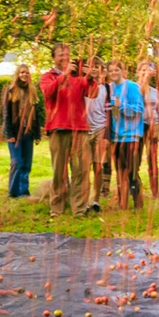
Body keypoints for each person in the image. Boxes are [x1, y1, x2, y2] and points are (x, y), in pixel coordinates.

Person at [39, 44, 93, 218]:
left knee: (80, 170)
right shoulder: (48, 76)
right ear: (54, 57)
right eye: (61, 54)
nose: (65, 57)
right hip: (58, 128)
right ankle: (57, 209)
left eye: (68, 54)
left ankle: (79, 209)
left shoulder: (78, 77)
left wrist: (90, 77)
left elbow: (93, 93)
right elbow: (48, 92)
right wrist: (65, 75)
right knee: (59, 171)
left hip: (80, 128)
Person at [107, 59, 146, 210]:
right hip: (116, 137)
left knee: (131, 171)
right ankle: (122, 204)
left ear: (123, 71)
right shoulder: (109, 88)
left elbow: (139, 108)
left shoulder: (132, 87)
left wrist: (121, 106)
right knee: (119, 171)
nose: (113, 73)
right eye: (110, 71)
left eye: (116, 70)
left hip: (131, 135)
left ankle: (138, 203)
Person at [0, 62, 41, 199]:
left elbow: (37, 114)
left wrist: (37, 134)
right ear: (18, 74)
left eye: (27, 72)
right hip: (15, 133)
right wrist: (9, 134)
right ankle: (13, 192)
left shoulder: (32, 91)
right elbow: (6, 113)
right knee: (16, 162)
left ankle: (24, 191)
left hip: (28, 133)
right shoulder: (10, 90)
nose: (24, 75)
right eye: (22, 72)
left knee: (27, 163)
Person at [83, 57, 109, 212]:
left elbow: (108, 113)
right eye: (90, 67)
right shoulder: (82, 86)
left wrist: (107, 134)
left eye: (96, 67)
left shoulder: (106, 88)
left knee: (98, 166)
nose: (93, 69)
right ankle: (84, 199)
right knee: (84, 167)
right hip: (85, 130)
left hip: (100, 128)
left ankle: (96, 200)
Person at [137, 58, 159, 200]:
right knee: (135, 159)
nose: (146, 72)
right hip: (138, 127)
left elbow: (158, 111)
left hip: (153, 127)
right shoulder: (134, 88)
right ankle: (134, 187)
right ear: (138, 73)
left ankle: (155, 191)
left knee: (153, 159)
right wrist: (145, 80)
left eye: (148, 70)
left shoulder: (155, 91)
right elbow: (138, 97)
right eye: (143, 70)